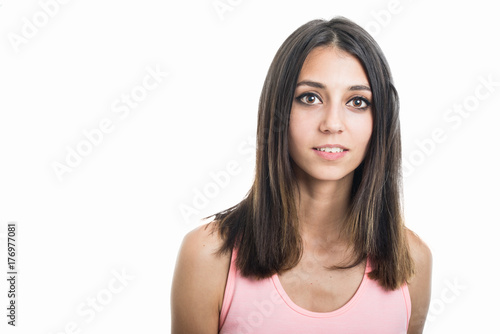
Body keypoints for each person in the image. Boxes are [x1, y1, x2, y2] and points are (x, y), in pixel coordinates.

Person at [171, 16, 432, 334]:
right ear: (278, 109)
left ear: (380, 122)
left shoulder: (412, 261)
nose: (332, 123)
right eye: (310, 98)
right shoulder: (208, 257)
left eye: (357, 102)